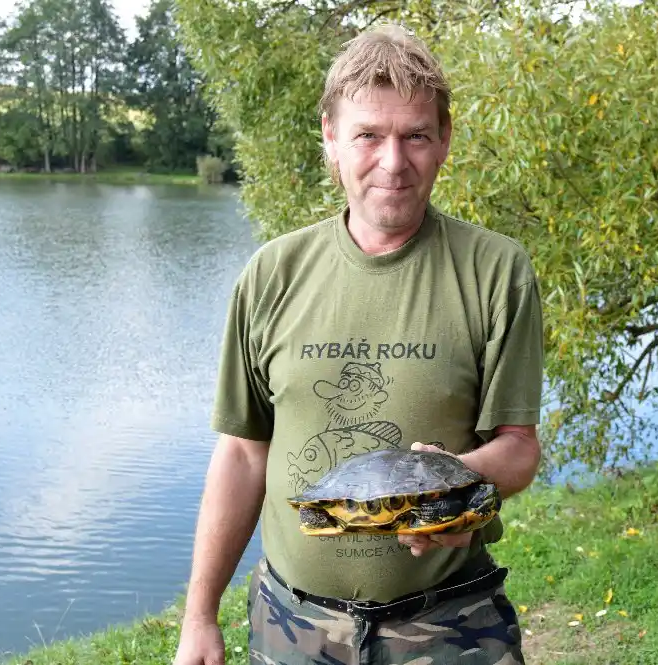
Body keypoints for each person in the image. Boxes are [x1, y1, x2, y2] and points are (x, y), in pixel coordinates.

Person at [172, 22, 545, 665]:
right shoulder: (272, 274)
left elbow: (519, 448)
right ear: (331, 138)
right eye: (368, 135)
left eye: (415, 135)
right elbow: (242, 454)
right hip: (293, 626)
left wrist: (450, 481)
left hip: (450, 626)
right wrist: (199, 616)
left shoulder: (496, 270)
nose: (393, 162)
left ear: (445, 139)